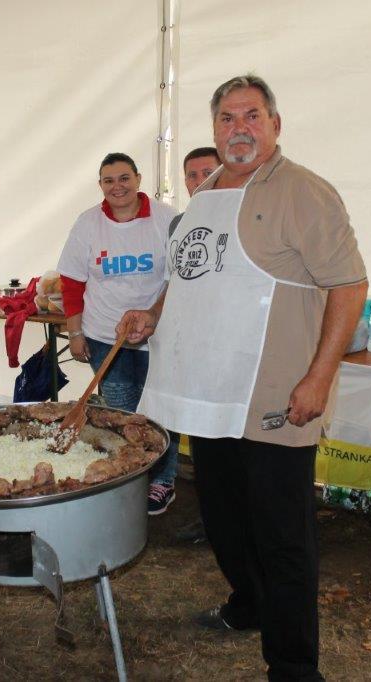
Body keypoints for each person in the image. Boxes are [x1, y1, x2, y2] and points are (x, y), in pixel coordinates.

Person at [118, 75, 367, 680]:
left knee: (282, 536)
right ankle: (250, 604)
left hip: (272, 395)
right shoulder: (205, 192)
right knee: (226, 521)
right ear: (214, 129)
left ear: (275, 124)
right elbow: (190, 278)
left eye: (252, 116)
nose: (240, 129)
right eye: (227, 118)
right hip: (207, 391)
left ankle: (294, 665)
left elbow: (349, 285)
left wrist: (319, 376)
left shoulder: (304, 192)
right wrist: (153, 315)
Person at [57, 152, 179, 514]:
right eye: (108, 180)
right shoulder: (87, 223)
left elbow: (180, 277)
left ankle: (162, 480)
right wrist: (75, 333)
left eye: (124, 178)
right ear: (100, 185)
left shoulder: (166, 219)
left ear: (138, 179)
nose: (117, 186)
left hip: (159, 337)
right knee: (122, 414)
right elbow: (71, 282)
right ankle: (128, 479)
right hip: (105, 338)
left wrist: (155, 315)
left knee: (161, 413)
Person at [169, 145, 221, 544]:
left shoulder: (247, 218)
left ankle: (241, 523)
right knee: (203, 444)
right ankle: (212, 520)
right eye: (191, 174)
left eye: (208, 172)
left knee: (235, 446)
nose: (199, 181)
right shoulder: (178, 225)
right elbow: (176, 284)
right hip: (194, 350)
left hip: (232, 352)